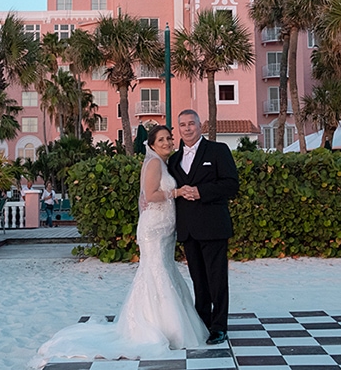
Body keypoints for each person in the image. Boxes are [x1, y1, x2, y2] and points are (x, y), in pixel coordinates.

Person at [31, 125, 208, 367]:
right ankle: (160, 327)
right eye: (162, 139)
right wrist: (176, 192)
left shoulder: (162, 163)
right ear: (153, 145)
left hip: (164, 228)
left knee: (163, 270)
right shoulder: (155, 164)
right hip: (153, 229)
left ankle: (166, 324)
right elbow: (151, 194)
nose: (167, 142)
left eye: (169, 138)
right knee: (155, 272)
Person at [167, 109, 238, 346]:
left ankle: (219, 327)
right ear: (178, 129)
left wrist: (202, 192)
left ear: (200, 126)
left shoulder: (218, 151)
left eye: (191, 124)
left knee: (217, 278)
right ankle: (202, 323)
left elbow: (231, 185)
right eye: (183, 125)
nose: (187, 128)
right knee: (198, 279)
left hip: (214, 226)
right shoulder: (174, 159)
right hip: (187, 228)